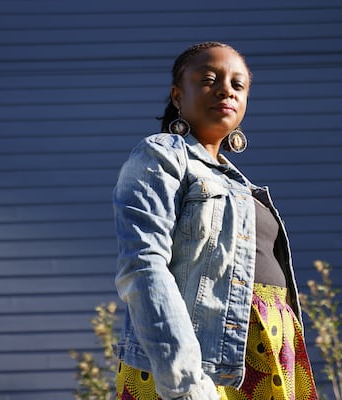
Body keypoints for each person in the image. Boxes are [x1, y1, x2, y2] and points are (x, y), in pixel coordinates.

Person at [112, 41, 318, 400]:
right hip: (201, 364)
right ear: (178, 95)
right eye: (209, 79)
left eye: (238, 85)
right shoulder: (160, 155)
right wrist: (185, 381)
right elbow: (143, 266)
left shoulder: (237, 181)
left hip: (266, 353)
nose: (226, 90)